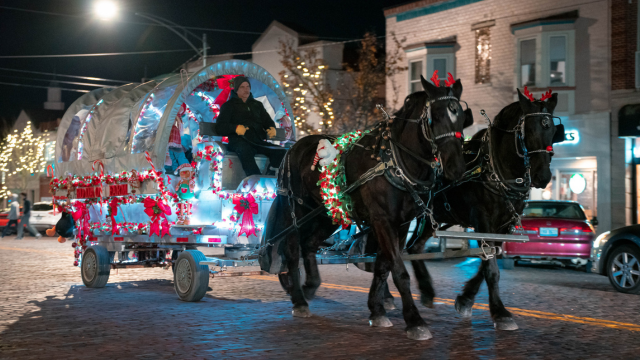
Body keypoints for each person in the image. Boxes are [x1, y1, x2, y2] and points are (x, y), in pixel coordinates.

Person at [215, 76, 287, 176]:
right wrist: (235, 128)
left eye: (248, 86)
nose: (246, 89)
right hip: (238, 141)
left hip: (257, 141)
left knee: (280, 151)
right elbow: (220, 127)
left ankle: (271, 174)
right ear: (236, 89)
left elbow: (267, 121)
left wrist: (271, 128)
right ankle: (255, 180)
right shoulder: (228, 106)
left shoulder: (257, 105)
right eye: (242, 87)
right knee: (245, 151)